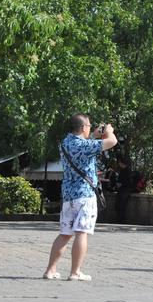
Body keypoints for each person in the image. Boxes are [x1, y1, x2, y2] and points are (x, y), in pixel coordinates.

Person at [43, 113, 117, 281]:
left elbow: (84, 144)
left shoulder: (65, 143)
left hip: (68, 195)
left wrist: (93, 135)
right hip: (84, 195)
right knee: (81, 232)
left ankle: (50, 270)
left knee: (64, 233)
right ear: (83, 127)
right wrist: (109, 131)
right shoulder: (85, 146)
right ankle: (75, 272)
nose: (90, 128)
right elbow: (112, 142)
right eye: (89, 126)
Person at [115, 155, 132, 224]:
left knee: (119, 206)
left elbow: (120, 183)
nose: (118, 164)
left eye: (119, 162)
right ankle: (122, 221)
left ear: (121, 163)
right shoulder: (129, 170)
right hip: (127, 191)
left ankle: (121, 221)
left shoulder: (123, 171)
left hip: (122, 191)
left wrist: (115, 186)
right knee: (123, 207)